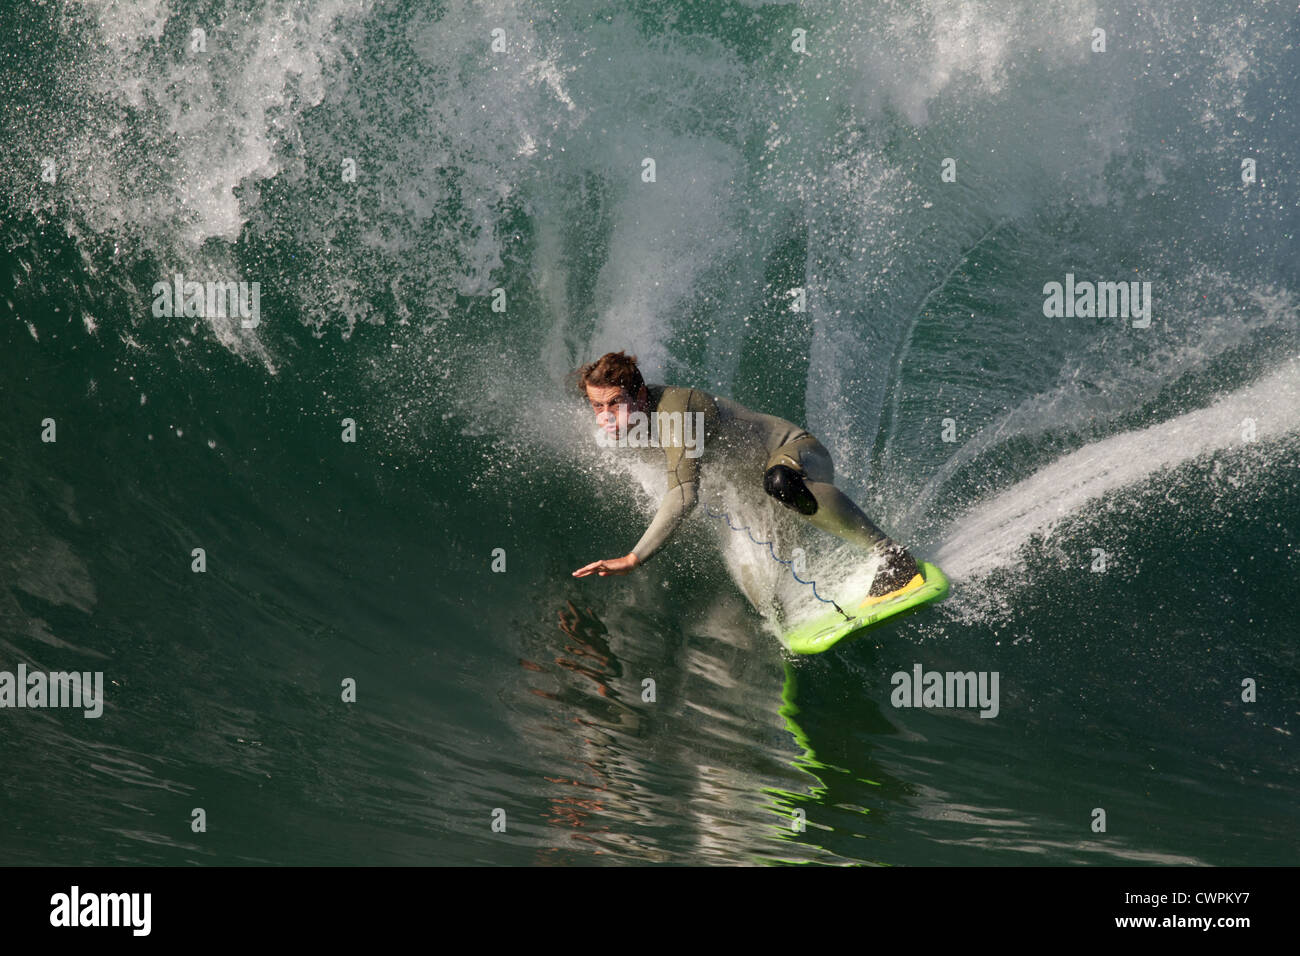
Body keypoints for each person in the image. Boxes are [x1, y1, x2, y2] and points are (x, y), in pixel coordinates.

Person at [570, 351, 924, 604]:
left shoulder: (680, 411)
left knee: (780, 484)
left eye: (614, 403)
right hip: (760, 497)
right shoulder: (632, 423)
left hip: (797, 460)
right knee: (767, 594)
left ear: (641, 395)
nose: (605, 417)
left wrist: (634, 558)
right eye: (597, 406)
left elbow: (683, 494)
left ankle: (894, 558)